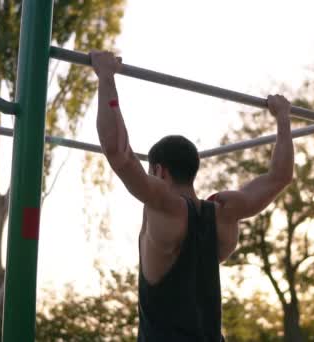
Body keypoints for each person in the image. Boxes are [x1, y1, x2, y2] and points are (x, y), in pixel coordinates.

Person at [91, 50, 294, 341]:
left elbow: (117, 151)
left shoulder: (162, 203)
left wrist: (106, 76)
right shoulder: (225, 212)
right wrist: (283, 118)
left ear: (159, 170)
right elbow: (280, 176)